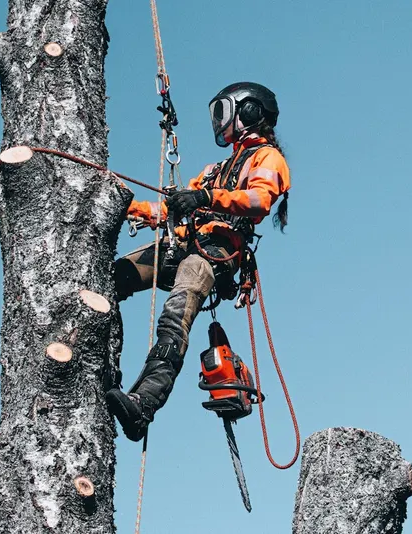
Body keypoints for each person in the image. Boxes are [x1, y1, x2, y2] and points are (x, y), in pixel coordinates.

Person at [105, 82, 291, 441]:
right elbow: (172, 209)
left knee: (176, 312)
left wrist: (206, 197)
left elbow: (258, 202)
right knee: (112, 277)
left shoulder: (267, 159)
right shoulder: (215, 169)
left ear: (250, 112)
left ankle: (143, 404)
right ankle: (103, 373)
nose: (219, 122)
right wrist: (128, 206)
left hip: (217, 251)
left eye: (225, 112)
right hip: (184, 244)